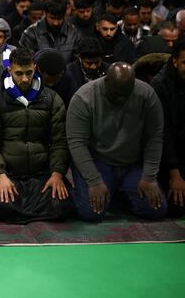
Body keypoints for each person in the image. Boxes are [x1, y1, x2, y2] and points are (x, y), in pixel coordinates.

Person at [0, 47, 73, 223]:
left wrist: (57, 174)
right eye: (19, 73)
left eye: (29, 73)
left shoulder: (52, 99)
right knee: (2, 207)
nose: (24, 78)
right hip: (10, 174)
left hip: (41, 173)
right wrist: (0, 175)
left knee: (63, 205)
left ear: (35, 68)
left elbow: (59, 142)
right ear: (10, 71)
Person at [66, 62, 167, 221]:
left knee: (156, 209)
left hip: (132, 164)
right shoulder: (83, 97)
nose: (119, 98)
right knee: (91, 213)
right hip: (97, 162)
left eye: (124, 94)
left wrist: (149, 176)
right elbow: (77, 143)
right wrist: (94, 181)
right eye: (115, 93)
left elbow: (154, 137)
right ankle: (83, 190)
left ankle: (117, 193)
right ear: (105, 80)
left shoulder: (147, 95)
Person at [150, 38, 185, 217]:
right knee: (175, 207)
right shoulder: (159, 85)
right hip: (166, 159)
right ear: (175, 61)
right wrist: (175, 174)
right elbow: (162, 134)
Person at [20, 0, 82, 64]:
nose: (56, 23)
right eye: (52, 18)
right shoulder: (31, 33)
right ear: (45, 14)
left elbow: (77, 62)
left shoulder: (74, 33)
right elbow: (26, 63)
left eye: (59, 18)